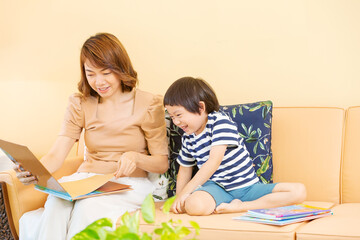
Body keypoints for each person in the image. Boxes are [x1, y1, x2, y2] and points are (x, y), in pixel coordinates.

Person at [14, 33, 169, 240]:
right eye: (91, 74)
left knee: (87, 209)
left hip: (128, 184)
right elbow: (57, 154)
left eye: (106, 73)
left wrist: (136, 157)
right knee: (55, 204)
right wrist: (34, 172)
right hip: (86, 181)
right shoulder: (80, 104)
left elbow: (161, 163)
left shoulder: (149, 103)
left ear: (121, 69)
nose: (99, 82)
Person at [163, 76, 306, 216]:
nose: (176, 122)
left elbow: (214, 161)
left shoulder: (220, 122)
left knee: (299, 191)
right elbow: (185, 170)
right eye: (172, 117)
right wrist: (179, 199)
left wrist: (187, 192)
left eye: (179, 115)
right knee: (194, 206)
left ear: (201, 107)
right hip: (217, 188)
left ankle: (241, 207)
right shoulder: (188, 136)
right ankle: (224, 203)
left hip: (248, 188)